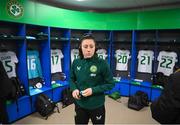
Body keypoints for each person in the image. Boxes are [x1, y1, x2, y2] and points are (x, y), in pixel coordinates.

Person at [69, 34, 115, 124]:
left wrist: (93, 90)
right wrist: (74, 89)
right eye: (85, 46)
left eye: (91, 46)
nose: (89, 49)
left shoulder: (102, 63)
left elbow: (111, 84)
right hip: (80, 104)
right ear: (80, 48)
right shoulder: (76, 62)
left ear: (95, 48)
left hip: (97, 105)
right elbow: (71, 79)